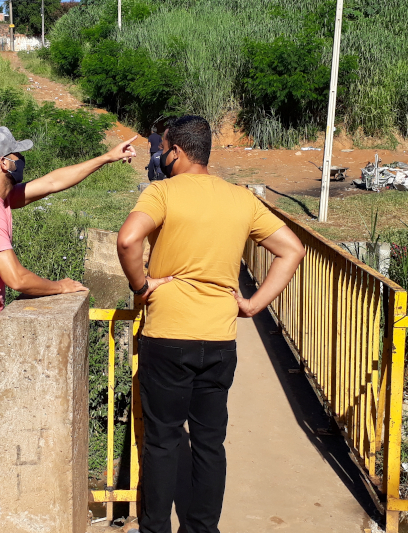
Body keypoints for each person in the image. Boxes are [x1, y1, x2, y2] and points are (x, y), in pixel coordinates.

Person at [0, 126, 137, 533]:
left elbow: (54, 182)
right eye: (18, 155)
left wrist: (105, 158)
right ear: (5, 162)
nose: (23, 161)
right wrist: (61, 286)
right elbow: (16, 278)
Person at [116, 116, 305, 533]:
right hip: (219, 339)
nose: (160, 156)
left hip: (167, 335)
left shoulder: (162, 192)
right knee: (208, 442)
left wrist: (142, 284)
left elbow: (128, 239)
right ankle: (202, 528)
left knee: (163, 441)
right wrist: (253, 304)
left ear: (176, 152)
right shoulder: (240, 198)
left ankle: (155, 528)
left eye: (162, 148)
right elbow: (291, 250)